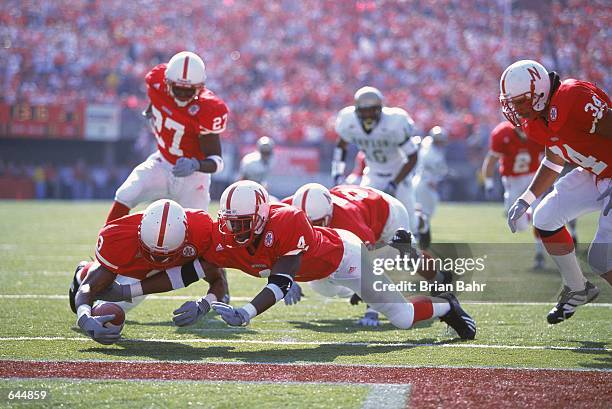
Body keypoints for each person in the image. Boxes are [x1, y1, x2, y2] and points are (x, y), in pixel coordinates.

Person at [184, 181, 476, 340]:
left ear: (261, 217)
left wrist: (246, 312)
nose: (234, 230)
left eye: (243, 222)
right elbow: (202, 267)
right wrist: (203, 304)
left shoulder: (289, 220)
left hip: (346, 256)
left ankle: (446, 304)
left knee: (403, 319)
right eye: (231, 222)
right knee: (324, 289)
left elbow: (281, 281)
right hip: (315, 269)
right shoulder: (229, 235)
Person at [500, 59, 611, 324]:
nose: (514, 109)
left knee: (600, 259)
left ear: (538, 92)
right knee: (545, 217)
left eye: (519, 101)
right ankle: (578, 288)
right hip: (596, 173)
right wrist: (526, 199)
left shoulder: (572, 96)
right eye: (510, 102)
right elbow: (554, 158)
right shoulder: (536, 122)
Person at [289, 182, 453, 326]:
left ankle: (438, 277)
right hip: (363, 203)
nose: (312, 228)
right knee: (330, 279)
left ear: (329, 214)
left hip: (388, 214)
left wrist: (371, 309)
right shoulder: (293, 208)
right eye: (305, 222)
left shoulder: (349, 222)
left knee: (405, 257)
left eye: (317, 224)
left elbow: (371, 266)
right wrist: (286, 277)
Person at [70, 199, 227, 344]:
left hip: (153, 277)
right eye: (152, 252)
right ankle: (83, 271)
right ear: (139, 233)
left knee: (111, 310)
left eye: (165, 256)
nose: (158, 261)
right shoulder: (119, 235)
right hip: (132, 270)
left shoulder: (202, 232)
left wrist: (204, 305)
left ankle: (95, 275)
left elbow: (219, 281)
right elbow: (89, 286)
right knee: (106, 307)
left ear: (186, 238)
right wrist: (84, 318)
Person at [106, 51, 229, 223]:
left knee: (196, 227)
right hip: (162, 163)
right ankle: (106, 246)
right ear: (167, 82)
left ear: (200, 87)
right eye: (177, 89)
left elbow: (217, 162)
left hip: (194, 177)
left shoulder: (208, 108)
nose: (182, 96)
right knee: (126, 193)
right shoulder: (157, 82)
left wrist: (195, 164)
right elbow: (157, 100)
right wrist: (153, 109)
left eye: (189, 91)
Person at [332, 86, 419, 234]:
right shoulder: (349, 122)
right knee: (369, 218)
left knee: (409, 223)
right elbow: (341, 147)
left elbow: (412, 156)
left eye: (371, 110)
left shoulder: (394, 123)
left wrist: (395, 183)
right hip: (372, 174)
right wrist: (337, 173)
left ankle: (421, 224)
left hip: (398, 173)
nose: (368, 115)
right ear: (357, 111)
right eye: (364, 111)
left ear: (379, 108)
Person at [481, 121, 546, 269]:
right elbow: (491, 160)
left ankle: (539, 252)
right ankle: (527, 215)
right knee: (519, 225)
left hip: (533, 176)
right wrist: (489, 183)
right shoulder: (501, 133)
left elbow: (551, 154)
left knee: (540, 216)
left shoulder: (536, 130)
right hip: (512, 180)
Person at [412, 126, 449, 249]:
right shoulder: (431, 153)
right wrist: (434, 179)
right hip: (425, 183)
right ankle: (421, 238)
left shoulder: (429, 146)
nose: (442, 142)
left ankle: (419, 236)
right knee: (424, 213)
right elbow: (433, 169)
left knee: (425, 212)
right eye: (439, 140)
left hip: (423, 182)